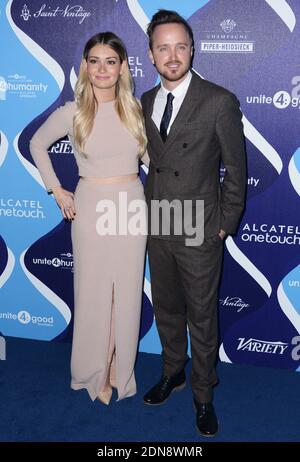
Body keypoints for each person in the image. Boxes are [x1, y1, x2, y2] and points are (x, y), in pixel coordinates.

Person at [141, 10, 246, 437]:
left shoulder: (219, 100)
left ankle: (203, 395)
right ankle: (173, 372)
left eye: (180, 46)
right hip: (159, 225)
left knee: (202, 317)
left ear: (192, 49)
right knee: (167, 310)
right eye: (163, 47)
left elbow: (235, 172)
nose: (172, 55)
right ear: (150, 55)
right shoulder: (144, 102)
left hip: (200, 228)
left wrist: (222, 226)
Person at [30, 32, 149, 405]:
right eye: (94, 61)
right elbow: (36, 144)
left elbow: (150, 162)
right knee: (95, 293)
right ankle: (92, 371)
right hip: (91, 206)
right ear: (85, 66)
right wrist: (57, 190)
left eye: (110, 61)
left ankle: (118, 368)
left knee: (126, 293)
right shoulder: (73, 112)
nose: (102, 69)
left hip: (131, 204)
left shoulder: (135, 111)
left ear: (122, 68)